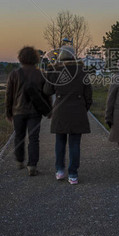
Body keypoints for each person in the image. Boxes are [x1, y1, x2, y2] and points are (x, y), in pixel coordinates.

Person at [44, 45, 92, 185]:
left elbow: (47, 91)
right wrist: (83, 109)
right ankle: (73, 174)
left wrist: (49, 72)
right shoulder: (82, 72)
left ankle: (59, 171)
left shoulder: (56, 71)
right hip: (77, 111)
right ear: (73, 56)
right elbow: (88, 95)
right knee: (75, 144)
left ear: (61, 57)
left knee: (60, 142)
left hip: (60, 112)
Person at [5, 46, 50, 176]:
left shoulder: (14, 74)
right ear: (35, 58)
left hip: (18, 111)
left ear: (21, 58)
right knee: (34, 139)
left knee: (19, 136)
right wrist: (49, 110)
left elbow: (9, 95)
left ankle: (19, 161)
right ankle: (32, 165)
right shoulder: (41, 73)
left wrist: (8, 112)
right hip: (35, 112)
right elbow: (46, 94)